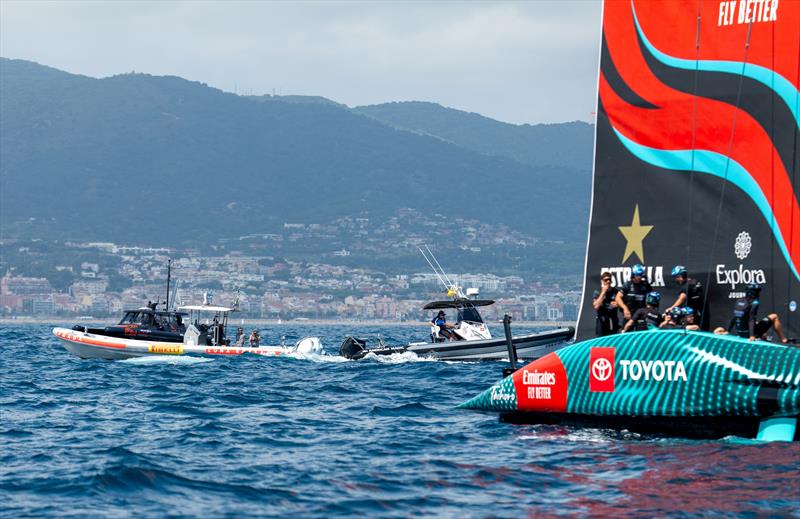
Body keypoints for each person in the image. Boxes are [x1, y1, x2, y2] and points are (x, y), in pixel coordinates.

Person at [715, 284, 790, 343]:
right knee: (774, 316)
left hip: (741, 333)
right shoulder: (755, 303)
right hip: (749, 334)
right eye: (757, 291)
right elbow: (751, 319)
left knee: (757, 322)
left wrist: (728, 330)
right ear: (755, 292)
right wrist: (751, 336)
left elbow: (735, 317)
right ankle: (783, 339)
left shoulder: (739, 301)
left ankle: (761, 336)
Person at [665, 265, 708, 330]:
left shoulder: (686, 286)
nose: (676, 279)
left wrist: (671, 308)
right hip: (699, 311)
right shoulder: (693, 281)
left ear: (680, 276)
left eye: (676, 277)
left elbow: (682, 299)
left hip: (692, 314)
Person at [593, 271, 621, 336]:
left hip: (612, 319)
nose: (608, 281)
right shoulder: (598, 291)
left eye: (609, 280)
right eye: (606, 280)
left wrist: (617, 304)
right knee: (601, 341)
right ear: (602, 281)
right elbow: (596, 306)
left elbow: (622, 304)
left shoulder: (615, 291)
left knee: (612, 340)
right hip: (602, 320)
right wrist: (603, 292)